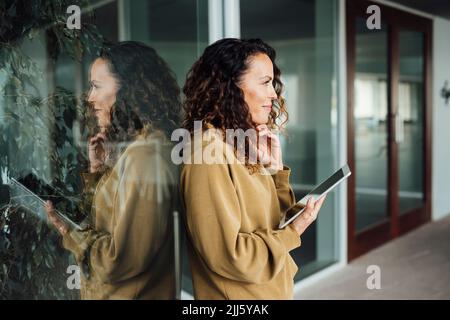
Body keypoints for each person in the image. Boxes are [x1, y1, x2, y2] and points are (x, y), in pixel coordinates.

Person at [180, 38, 326, 299]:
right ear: (230, 86)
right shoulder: (206, 153)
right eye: (265, 82)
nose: (274, 94)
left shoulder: (237, 142)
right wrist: (294, 232)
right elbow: (229, 256)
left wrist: (275, 170)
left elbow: (272, 222)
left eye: (272, 82)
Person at [45, 41, 181, 299]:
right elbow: (111, 221)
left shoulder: (144, 155)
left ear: (127, 89)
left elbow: (122, 261)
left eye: (96, 86)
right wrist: (99, 172)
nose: (90, 97)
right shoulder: (138, 150)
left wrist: (71, 233)